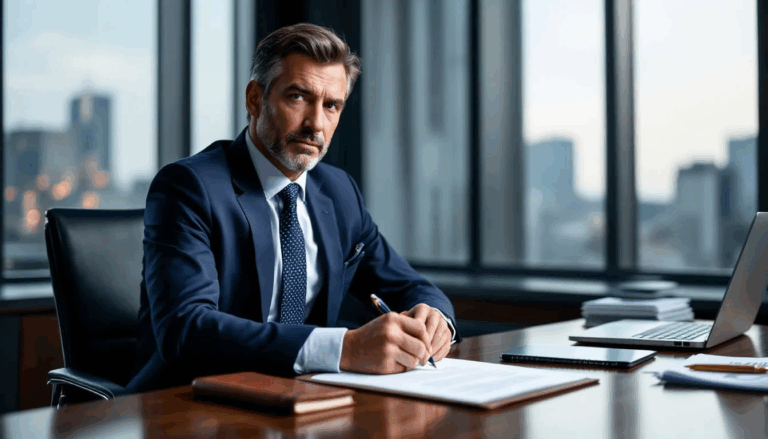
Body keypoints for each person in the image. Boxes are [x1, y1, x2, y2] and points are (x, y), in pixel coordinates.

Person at [127, 23, 460, 392]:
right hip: (190, 403)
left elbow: (409, 284)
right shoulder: (189, 187)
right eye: (298, 98)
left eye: (331, 105)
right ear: (255, 99)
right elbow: (186, 330)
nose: (316, 123)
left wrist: (436, 318)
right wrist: (344, 348)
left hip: (305, 402)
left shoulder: (339, 192)